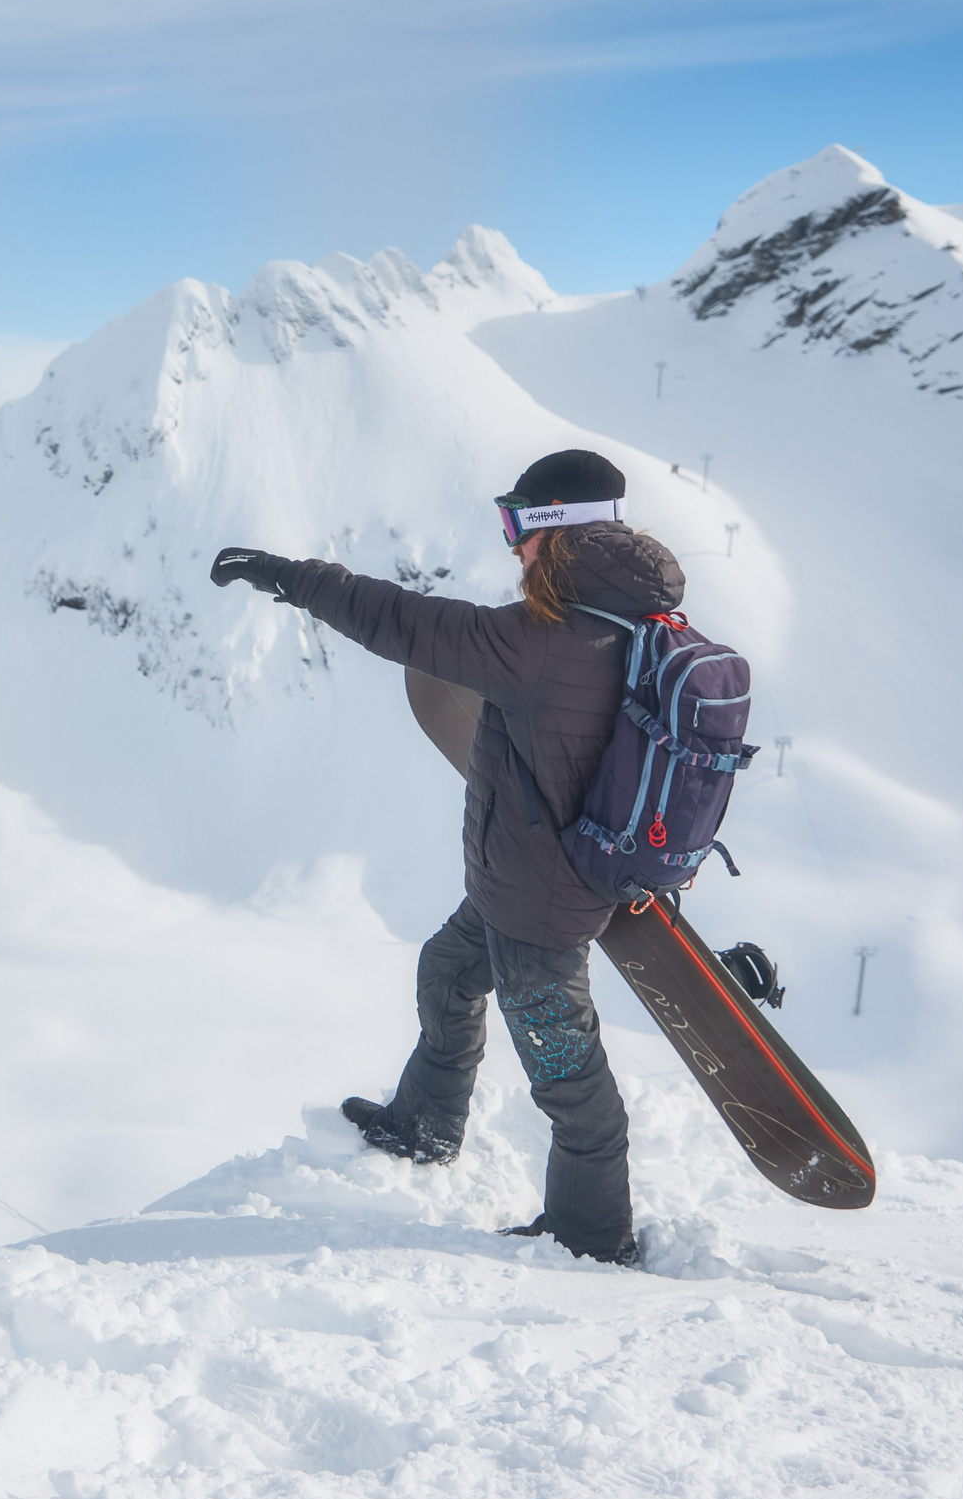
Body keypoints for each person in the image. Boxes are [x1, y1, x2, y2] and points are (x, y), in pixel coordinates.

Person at [209, 448, 684, 1266]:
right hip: (521, 881)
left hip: (539, 913)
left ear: (555, 532)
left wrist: (291, 576)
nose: (511, 546)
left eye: (516, 526)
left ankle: (594, 1235)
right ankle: (424, 1125)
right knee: (447, 972)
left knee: (572, 1085)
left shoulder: (540, 641)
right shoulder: (638, 622)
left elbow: (401, 620)